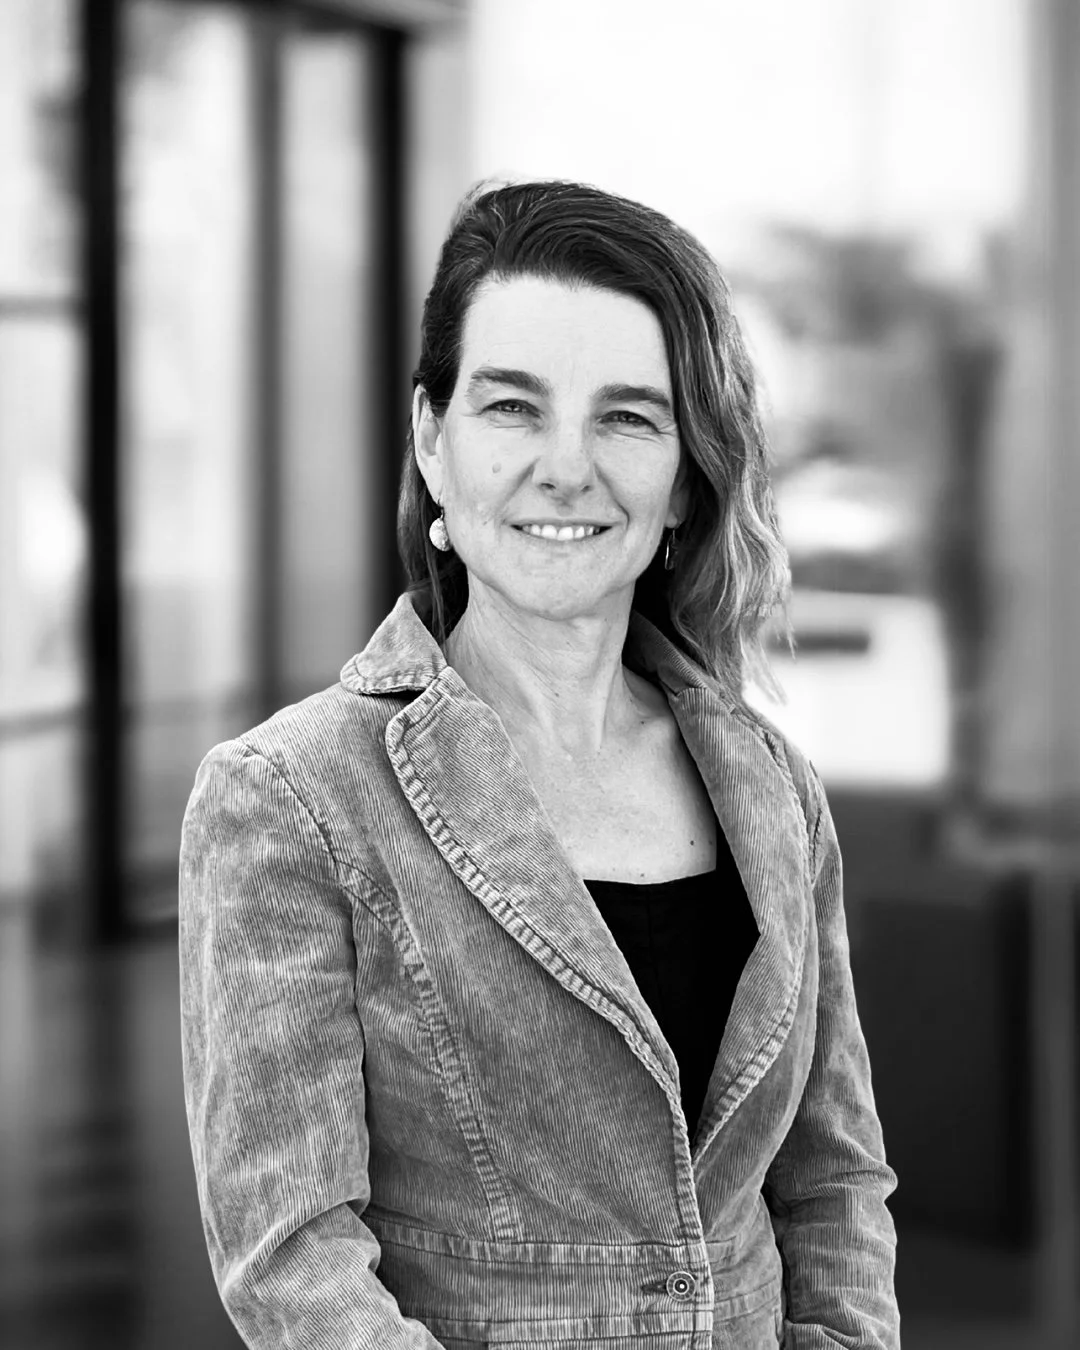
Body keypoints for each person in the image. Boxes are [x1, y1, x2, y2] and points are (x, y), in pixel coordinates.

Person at [179, 180, 900, 1350]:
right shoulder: (291, 800)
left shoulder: (774, 789)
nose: (567, 467)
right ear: (432, 438)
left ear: (684, 477)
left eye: (627, 417)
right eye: (514, 407)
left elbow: (834, 1187)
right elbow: (294, 1262)